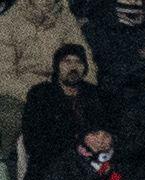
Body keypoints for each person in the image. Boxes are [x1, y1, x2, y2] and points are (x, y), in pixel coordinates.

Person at [18, 45, 105, 180]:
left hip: (89, 164)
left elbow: (103, 130)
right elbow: (34, 140)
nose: (73, 67)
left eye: (78, 62)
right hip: (50, 165)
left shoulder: (94, 95)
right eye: (67, 61)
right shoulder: (40, 94)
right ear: (57, 66)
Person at [0, 0, 92, 158]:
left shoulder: (65, 17)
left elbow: (84, 58)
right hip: (21, 91)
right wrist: (39, 95)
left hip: (63, 85)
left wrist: (88, 89)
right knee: (11, 118)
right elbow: (4, 76)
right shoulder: (8, 21)